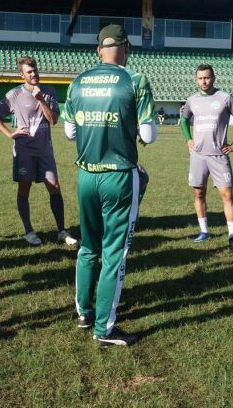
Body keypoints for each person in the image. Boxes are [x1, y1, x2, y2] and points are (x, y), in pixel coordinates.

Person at [62, 24, 157, 347]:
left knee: (89, 246)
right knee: (115, 253)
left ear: (98, 50)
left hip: (86, 174)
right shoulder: (135, 80)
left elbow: (70, 133)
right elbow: (148, 136)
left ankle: (84, 312)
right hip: (119, 174)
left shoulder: (78, 82)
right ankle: (104, 329)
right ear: (126, 48)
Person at [0, 57, 77, 246]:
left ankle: (62, 231)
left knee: (54, 187)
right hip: (24, 151)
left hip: (45, 151)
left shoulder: (49, 91)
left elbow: (53, 120)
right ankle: (29, 231)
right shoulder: (14, 94)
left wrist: (40, 99)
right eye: (29, 72)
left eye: (35, 70)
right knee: (24, 188)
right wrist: (10, 134)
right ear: (22, 75)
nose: (34, 74)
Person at [180, 65, 233, 250]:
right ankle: (204, 231)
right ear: (196, 80)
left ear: (213, 78)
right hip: (198, 156)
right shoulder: (192, 100)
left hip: (219, 156)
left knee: (227, 195)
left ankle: (232, 236)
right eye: (200, 78)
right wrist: (188, 139)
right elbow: (184, 120)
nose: (204, 81)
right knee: (199, 193)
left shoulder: (225, 98)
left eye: (207, 78)